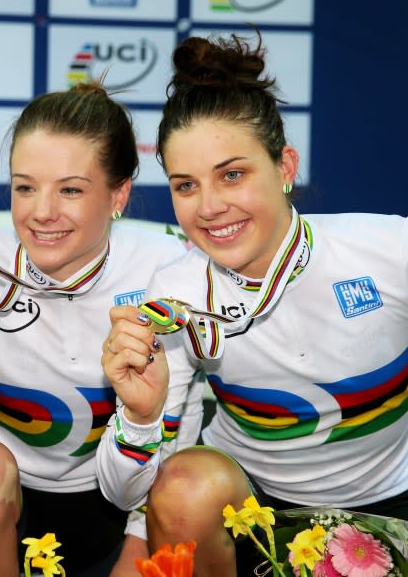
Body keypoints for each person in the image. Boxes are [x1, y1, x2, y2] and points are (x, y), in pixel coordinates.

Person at [104, 33, 408, 575]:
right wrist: (142, 415)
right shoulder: (174, 296)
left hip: (395, 503)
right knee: (185, 484)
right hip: (253, 513)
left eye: (233, 174)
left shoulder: (386, 250)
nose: (211, 207)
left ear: (285, 166)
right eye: (186, 185)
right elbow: (127, 490)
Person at [0, 82, 199, 576]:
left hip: (122, 510)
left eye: (70, 189)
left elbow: (136, 484)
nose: (41, 212)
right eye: (25, 186)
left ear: (119, 193)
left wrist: (139, 539)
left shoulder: (170, 274)